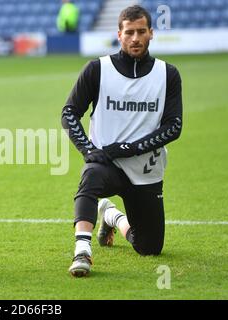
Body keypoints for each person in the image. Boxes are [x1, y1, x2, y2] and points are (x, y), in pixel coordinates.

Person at [62, 5, 183, 277]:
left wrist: (128, 148)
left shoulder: (168, 74)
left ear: (151, 33)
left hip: (146, 171)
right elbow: (69, 112)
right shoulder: (97, 69)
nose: (135, 38)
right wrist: (88, 149)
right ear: (119, 34)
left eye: (141, 31)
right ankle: (82, 251)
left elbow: (173, 126)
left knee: (149, 247)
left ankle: (112, 216)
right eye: (129, 32)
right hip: (108, 166)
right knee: (90, 177)